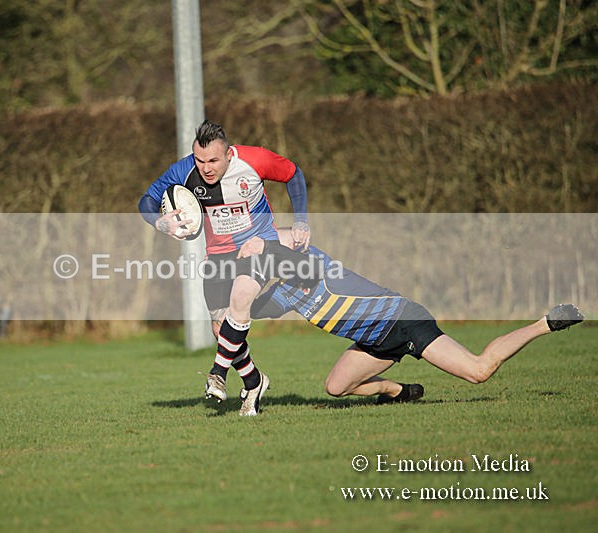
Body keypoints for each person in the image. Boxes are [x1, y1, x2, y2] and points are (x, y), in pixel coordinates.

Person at [206, 229, 585, 408]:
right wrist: (220, 307)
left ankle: (545, 323)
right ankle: (397, 391)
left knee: (479, 370)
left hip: (404, 322)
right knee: (337, 388)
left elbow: (294, 259)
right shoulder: (285, 292)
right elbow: (244, 313)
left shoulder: (312, 264)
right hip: (375, 342)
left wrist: (267, 244)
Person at [139, 120, 319, 416]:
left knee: (241, 297)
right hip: (219, 255)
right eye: (200, 160)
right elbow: (146, 200)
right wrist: (160, 221)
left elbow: (293, 174)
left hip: (259, 245)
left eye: (213, 160)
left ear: (228, 155)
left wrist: (301, 220)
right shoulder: (184, 171)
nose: (206, 168)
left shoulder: (255, 160)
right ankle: (254, 381)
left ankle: (217, 374)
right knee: (219, 326)